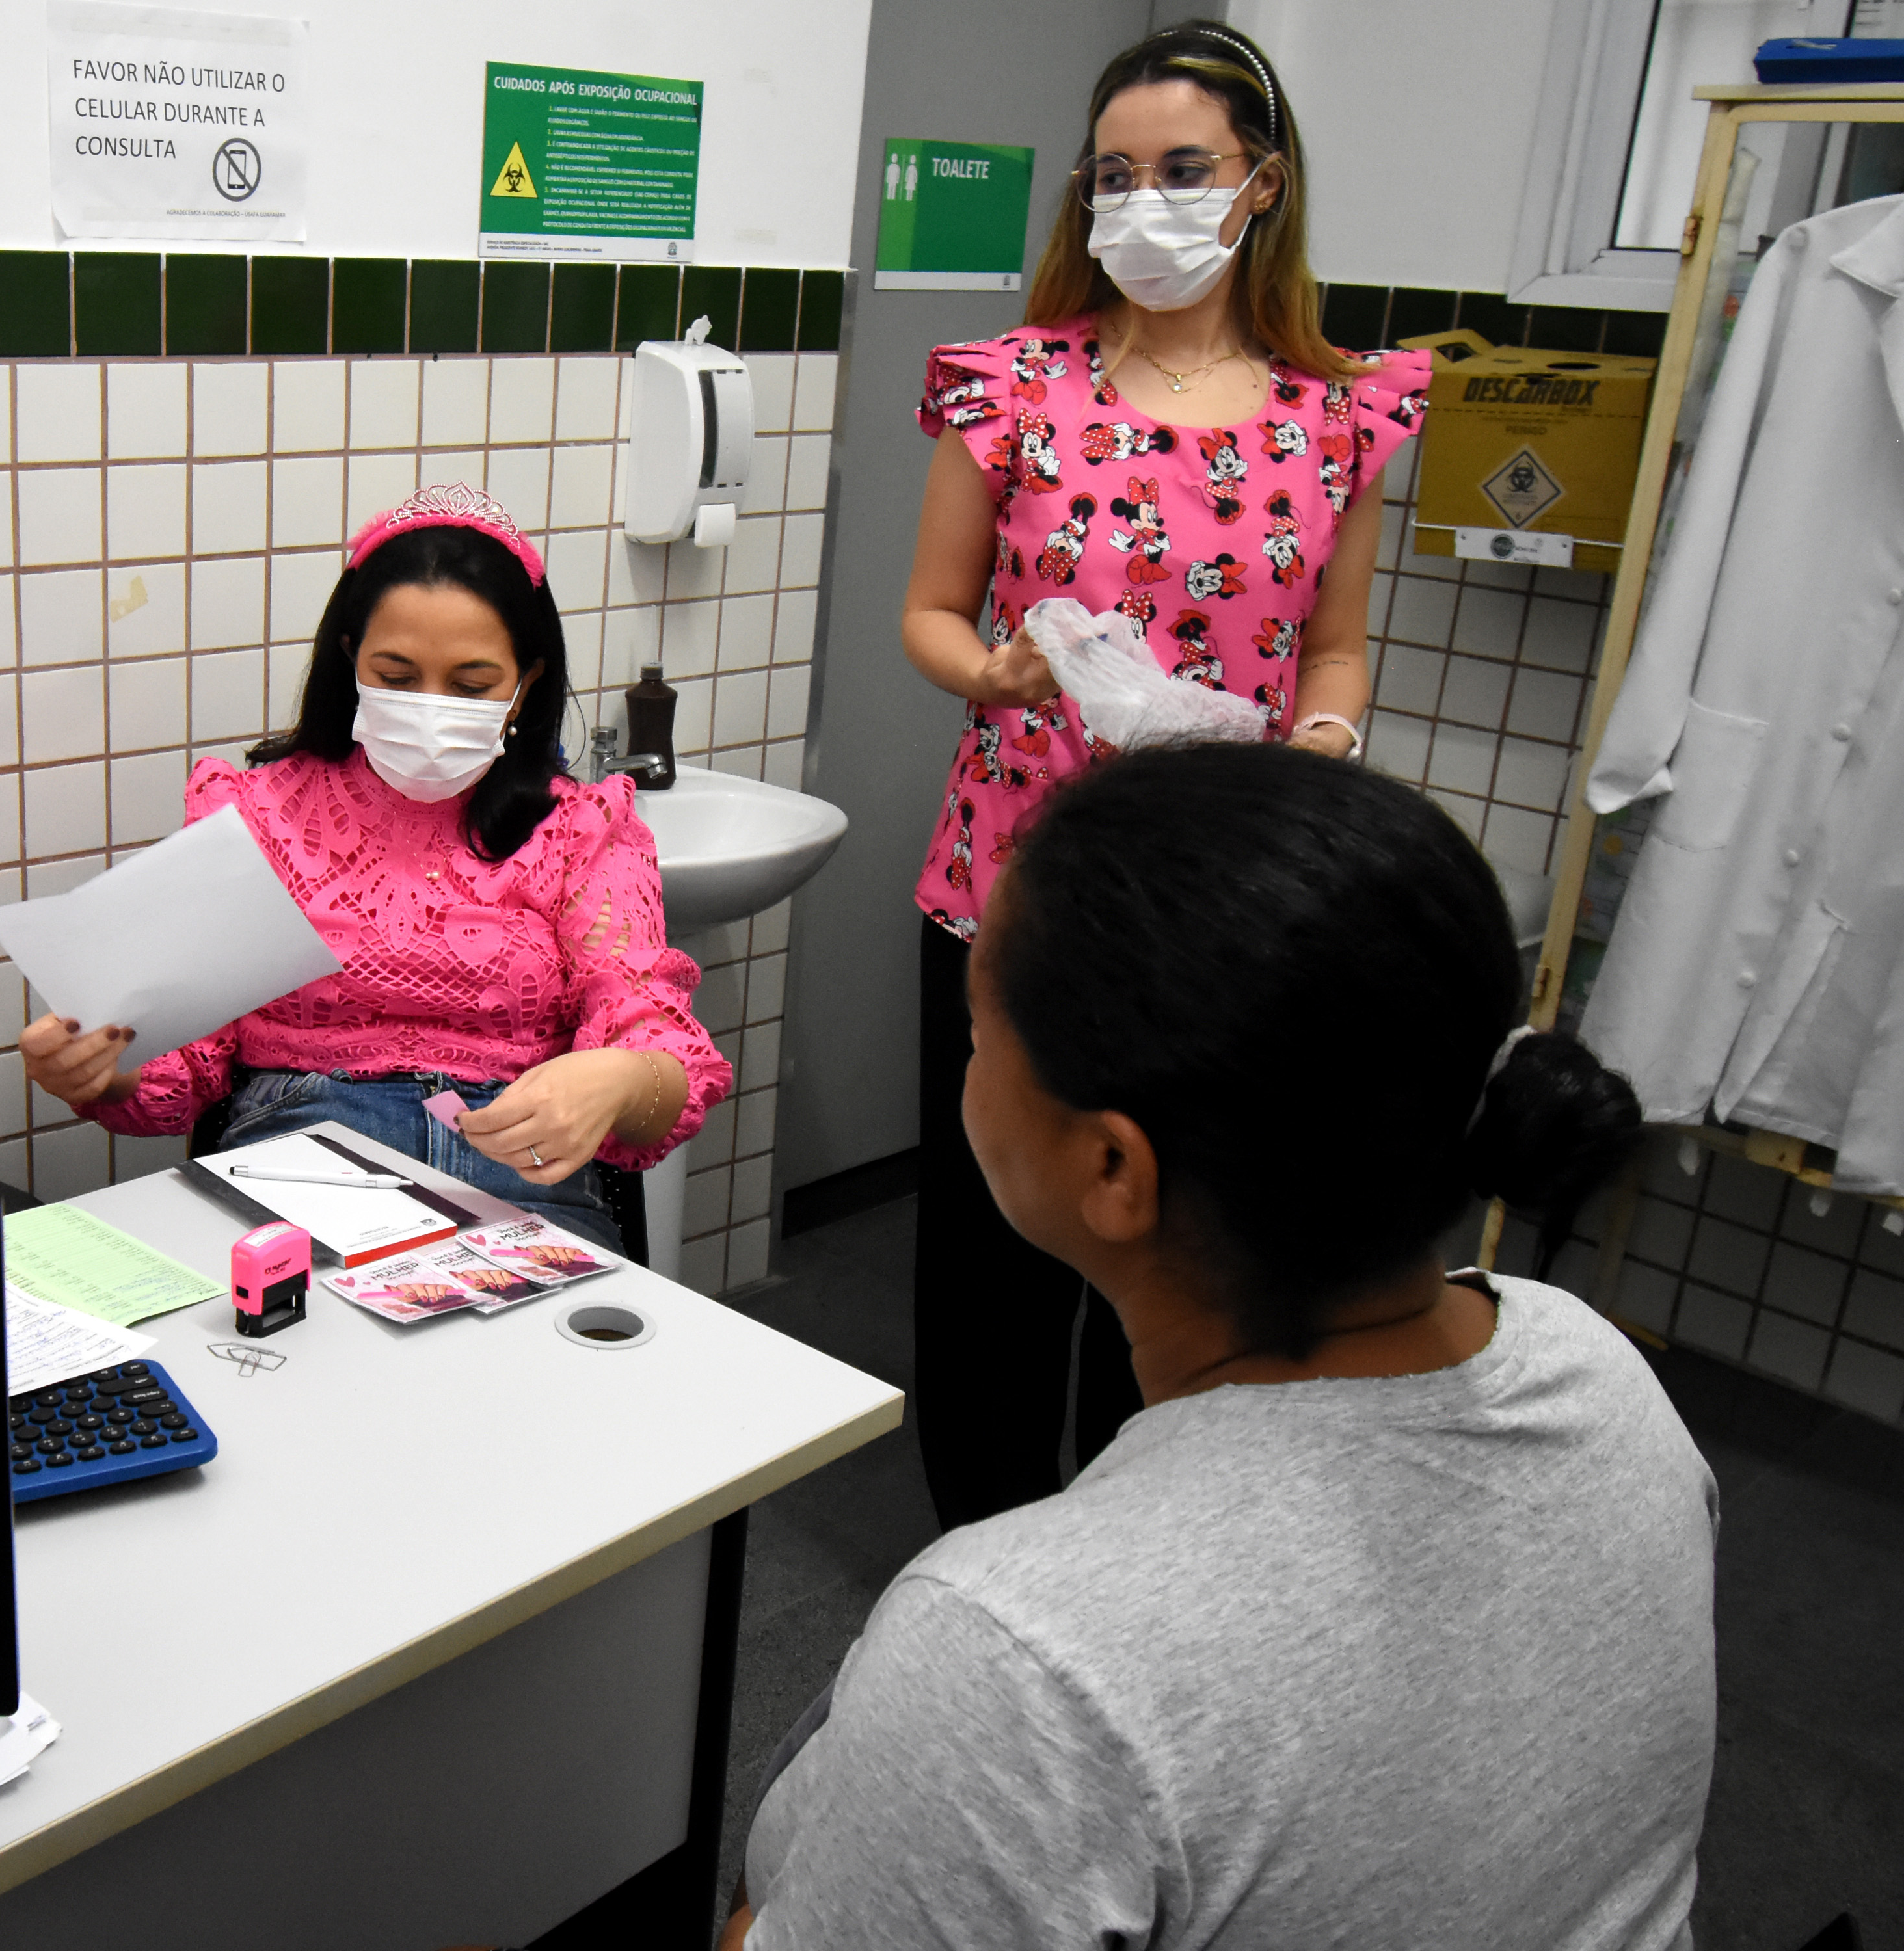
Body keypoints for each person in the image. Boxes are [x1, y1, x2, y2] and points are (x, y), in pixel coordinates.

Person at [726, 743, 1711, 1951]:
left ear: (1111, 1169)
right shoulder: (1595, 1368)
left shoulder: (1021, 1658)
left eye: (979, 1033)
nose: (964, 1063)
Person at [898, 18, 1432, 1527]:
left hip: (1217, 910)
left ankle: (1145, 1549)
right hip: (1011, 886)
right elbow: (928, 612)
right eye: (1113, 174)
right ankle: (991, 1549)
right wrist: (991, 668)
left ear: (1260, 183)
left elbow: (1334, 650)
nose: (1144, 203)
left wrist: (1321, 751)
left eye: (1181, 169)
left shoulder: (1335, 412)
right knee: (995, 1259)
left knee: (1184, 1255)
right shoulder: (1010, 383)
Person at [19, 486, 729, 1251]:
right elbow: (188, 1059)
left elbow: (659, 1037)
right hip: (301, 1164)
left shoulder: (582, 831)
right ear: (349, 655)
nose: (429, 707)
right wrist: (99, 1071)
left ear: (524, 682)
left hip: (518, 1182)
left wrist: (620, 1080)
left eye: (469, 686)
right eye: (394, 676)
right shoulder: (260, 814)